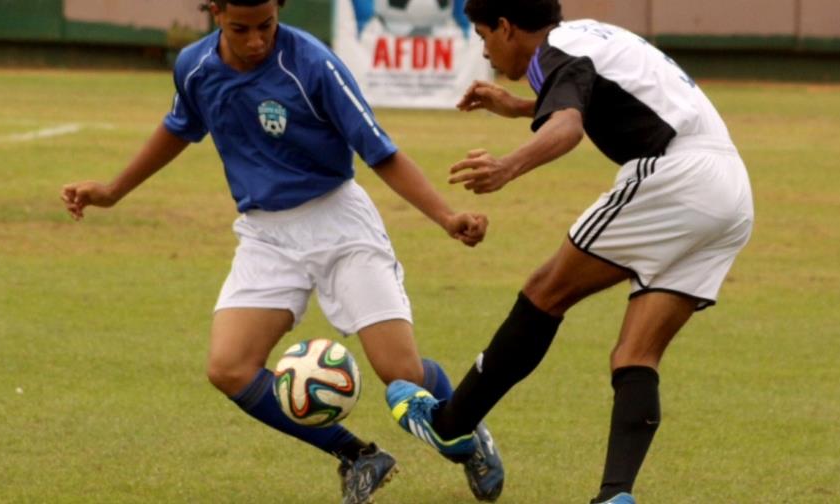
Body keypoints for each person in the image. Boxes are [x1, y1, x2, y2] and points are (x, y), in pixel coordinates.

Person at [59, 1, 504, 503]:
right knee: (229, 368)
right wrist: (114, 190)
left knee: (400, 375)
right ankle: (358, 457)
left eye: (266, 26)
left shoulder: (313, 64)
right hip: (266, 234)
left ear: (280, 11)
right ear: (215, 14)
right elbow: (180, 126)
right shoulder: (196, 66)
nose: (256, 41)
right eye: (240, 28)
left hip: (338, 225)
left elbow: (380, 151)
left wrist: (447, 218)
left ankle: (466, 438)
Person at [385, 1, 754, 503]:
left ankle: (452, 422)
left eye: (482, 34)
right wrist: (516, 106)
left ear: (507, 27)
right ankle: (615, 495)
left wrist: (506, 168)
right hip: (731, 193)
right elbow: (599, 97)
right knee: (636, 353)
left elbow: (568, 127)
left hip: (676, 176)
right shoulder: (586, 36)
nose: (485, 49)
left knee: (545, 291)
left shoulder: (555, 53)